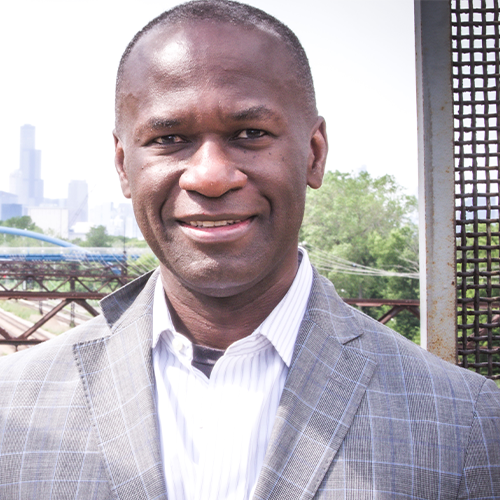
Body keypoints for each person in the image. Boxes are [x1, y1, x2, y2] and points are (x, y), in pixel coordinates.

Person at [0, 0, 499, 498]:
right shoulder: (11, 406)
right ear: (122, 164)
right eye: (169, 137)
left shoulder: (467, 422)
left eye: (250, 134)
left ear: (314, 153)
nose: (211, 176)